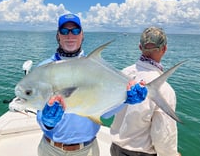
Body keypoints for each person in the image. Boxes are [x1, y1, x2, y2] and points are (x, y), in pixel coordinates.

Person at [36, 13, 147, 156]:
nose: (70, 35)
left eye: (75, 31)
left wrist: (125, 100)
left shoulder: (96, 67)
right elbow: (37, 108)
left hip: (88, 150)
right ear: (58, 35)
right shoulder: (44, 69)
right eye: (64, 31)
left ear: (82, 35)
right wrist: (47, 122)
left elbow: (105, 113)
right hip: (50, 149)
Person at [110, 27, 181, 156]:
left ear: (140, 47)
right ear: (164, 49)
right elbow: (163, 135)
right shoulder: (164, 89)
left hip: (115, 148)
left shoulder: (123, 73)